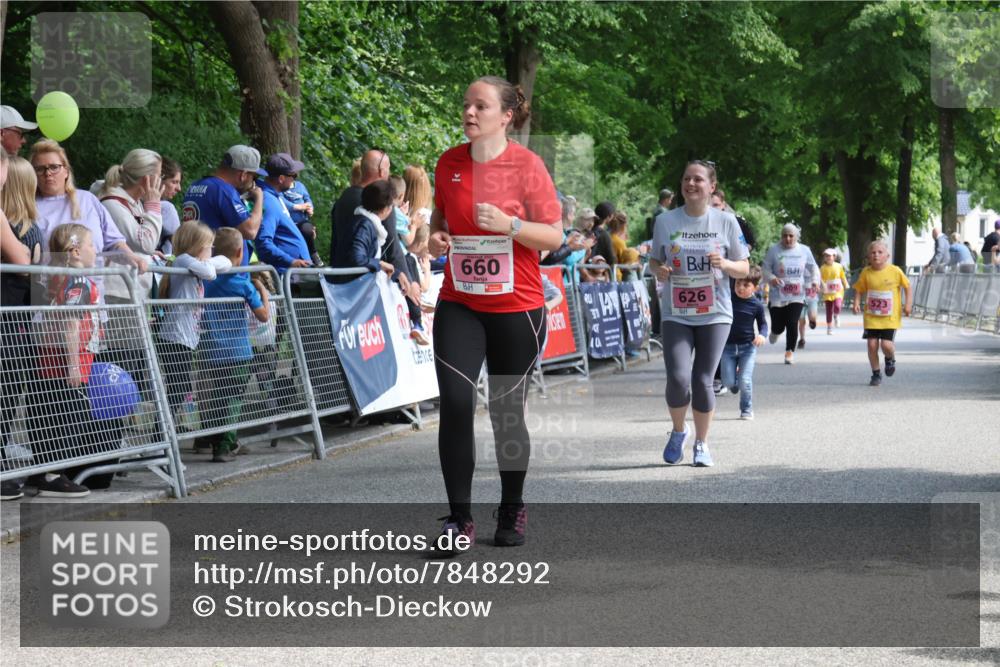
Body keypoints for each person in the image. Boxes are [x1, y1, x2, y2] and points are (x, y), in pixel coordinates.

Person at [427, 75, 562, 549]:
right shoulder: (448, 163)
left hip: (517, 307)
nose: (468, 112)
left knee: (506, 414)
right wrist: (436, 238)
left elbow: (555, 237)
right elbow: (438, 224)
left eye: (480, 106)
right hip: (460, 302)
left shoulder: (527, 166)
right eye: (465, 104)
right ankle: (459, 519)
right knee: (457, 405)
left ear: (505, 116)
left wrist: (512, 225)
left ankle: (512, 506)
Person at [650, 160, 750, 468]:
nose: (690, 184)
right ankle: (679, 431)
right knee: (679, 378)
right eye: (685, 178)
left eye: (697, 179)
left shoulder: (727, 222)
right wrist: (661, 270)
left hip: (715, 312)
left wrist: (725, 264)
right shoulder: (665, 221)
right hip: (676, 311)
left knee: (703, 378)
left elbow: (744, 267)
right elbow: (654, 261)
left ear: (712, 186)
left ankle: (702, 444)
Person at [28, 224, 125, 497]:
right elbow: (71, 323)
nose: (96, 250)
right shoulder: (78, 281)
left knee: (52, 417)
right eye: (91, 245)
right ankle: (53, 475)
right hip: (66, 365)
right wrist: (72, 363)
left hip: (55, 363)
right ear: (75, 252)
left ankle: (46, 473)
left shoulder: (58, 278)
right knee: (66, 420)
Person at [198, 228, 270, 462]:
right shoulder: (243, 284)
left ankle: (215, 440)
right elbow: (263, 316)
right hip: (238, 352)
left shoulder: (207, 281)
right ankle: (224, 447)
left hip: (211, 350)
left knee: (217, 398)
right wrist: (263, 292)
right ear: (241, 252)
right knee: (234, 400)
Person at [31, 140, 147, 277]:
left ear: (66, 171)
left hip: (93, 292)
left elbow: (114, 243)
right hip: (49, 292)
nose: (48, 173)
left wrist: (131, 257)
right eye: (40, 169)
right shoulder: (28, 207)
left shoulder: (88, 200)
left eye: (54, 167)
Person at [1, 153, 44, 501]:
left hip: (13, 325)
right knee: (7, 397)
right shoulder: (30, 232)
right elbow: (37, 281)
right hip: (15, 327)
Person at [156, 221, 231, 421]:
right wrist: (209, 263)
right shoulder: (182, 260)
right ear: (197, 245)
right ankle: (161, 434)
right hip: (174, 337)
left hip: (186, 337)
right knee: (179, 387)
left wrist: (209, 261)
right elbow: (210, 273)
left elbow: (227, 262)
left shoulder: (195, 264)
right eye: (209, 245)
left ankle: (164, 432)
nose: (212, 250)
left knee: (179, 388)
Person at [181, 145, 265, 266]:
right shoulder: (224, 190)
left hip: (199, 264)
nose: (254, 182)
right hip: (221, 273)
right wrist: (259, 198)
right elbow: (250, 231)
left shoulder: (196, 185)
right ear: (243, 175)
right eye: (254, 177)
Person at [852, 240, 913, 386]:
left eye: (880, 252)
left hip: (889, 317)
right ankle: (876, 374)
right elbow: (859, 289)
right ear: (868, 256)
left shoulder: (895, 271)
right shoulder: (866, 272)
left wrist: (908, 305)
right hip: (872, 317)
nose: (876, 255)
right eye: (873, 253)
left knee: (886, 345)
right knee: (872, 345)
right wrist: (856, 303)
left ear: (887, 256)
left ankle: (890, 358)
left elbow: (908, 287)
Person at [762, 223, 819, 364]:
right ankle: (775, 332)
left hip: (797, 294)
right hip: (777, 295)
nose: (787, 238)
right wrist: (771, 278)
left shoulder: (804, 250)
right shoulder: (773, 250)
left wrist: (815, 281)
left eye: (791, 235)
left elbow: (813, 267)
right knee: (778, 326)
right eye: (784, 235)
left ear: (796, 237)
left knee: (792, 322)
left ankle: (789, 352)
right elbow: (765, 269)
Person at [720, 266, 768, 420]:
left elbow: (763, 324)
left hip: (748, 348)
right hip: (727, 348)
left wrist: (762, 335)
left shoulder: (757, 305)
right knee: (727, 382)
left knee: (745, 381)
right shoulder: (728, 300)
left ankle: (746, 409)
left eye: (746, 285)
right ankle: (734, 383)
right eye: (738, 283)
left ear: (755, 287)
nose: (740, 288)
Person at [253, 152, 313, 275]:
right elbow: (264, 242)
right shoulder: (268, 201)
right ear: (281, 179)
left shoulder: (275, 196)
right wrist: (291, 261)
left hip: (294, 274)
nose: (294, 179)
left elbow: (281, 230)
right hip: (287, 276)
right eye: (293, 176)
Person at [330, 179, 398, 281]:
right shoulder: (364, 226)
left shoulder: (364, 222)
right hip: (351, 290)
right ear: (385, 209)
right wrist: (380, 263)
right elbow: (357, 259)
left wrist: (397, 273)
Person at [281, 172, 321, 266]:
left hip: (302, 220)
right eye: (291, 176)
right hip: (289, 221)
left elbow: (307, 199)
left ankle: (313, 253)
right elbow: (283, 202)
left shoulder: (300, 186)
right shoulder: (282, 189)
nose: (293, 179)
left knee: (307, 230)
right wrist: (298, 207)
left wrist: (310, 208)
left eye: (294, 176)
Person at [819, 248, 849, 333]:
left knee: (838, 305)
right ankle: (829, 327)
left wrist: (846, 284)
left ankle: (836, 315)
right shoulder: (822, 268)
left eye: (830, 256)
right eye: (826, 256)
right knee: (828, 310)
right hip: (828, 291)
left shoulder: (838, 266)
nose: (828, 257)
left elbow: (842, 276)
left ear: (834, 257)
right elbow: (820, 279)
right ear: (824, 258)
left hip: (838, 291)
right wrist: (821, 286)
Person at [158, 157, 183, 256]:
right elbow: (180, 245)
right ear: (159, 180)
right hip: (160, 266)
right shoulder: (166, 208)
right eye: (174, 182)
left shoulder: (135, 204)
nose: (179, 188)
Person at [797, 283, 819, 349]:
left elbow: (822, 287)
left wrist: (821, 286)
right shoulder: (799, 273)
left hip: (812, 299)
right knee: (801, 321)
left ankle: (812, 320)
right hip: (800, 300)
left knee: (812, 316)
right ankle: (802, 339)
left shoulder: (816, 273)